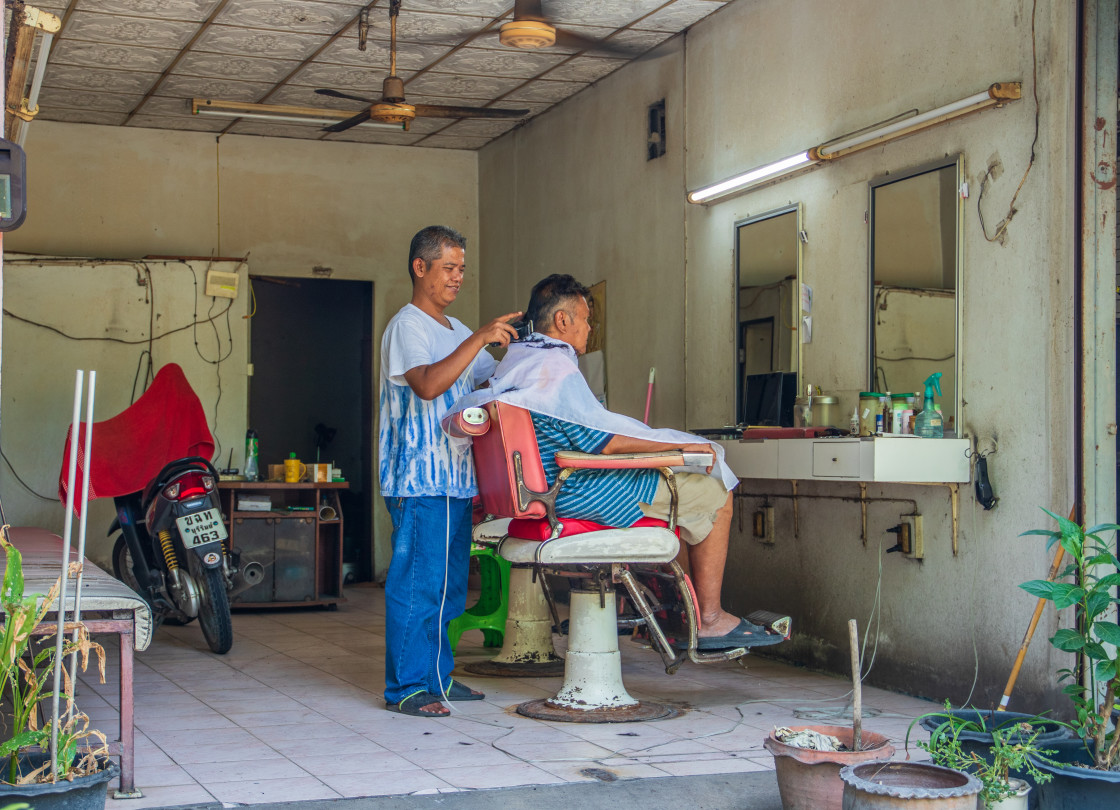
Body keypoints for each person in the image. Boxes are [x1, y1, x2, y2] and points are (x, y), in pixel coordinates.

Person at [447, 274, 783, 648]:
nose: (590, 328)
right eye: (586, 319)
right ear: (562, 321)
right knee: (715, 491)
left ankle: (683, 615)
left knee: (686, 497)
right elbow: (602, 444)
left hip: (545, 491)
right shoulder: (552, 370)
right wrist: (676, 452)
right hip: (578, 490)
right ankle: (709, 618)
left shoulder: (518, 364)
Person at [379, 225, 522, 717]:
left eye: (462, 268)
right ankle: (407, 688)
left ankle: (438, 677)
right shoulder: (408, 327)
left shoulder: (457, 331)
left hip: (457, 482)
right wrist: (481, 336)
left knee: (448, 589)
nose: (458, 277)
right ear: (421, 268)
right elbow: (427, 384)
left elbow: (491, 379)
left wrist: (529, 355)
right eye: (449, 267)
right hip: (417, 480)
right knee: (418, 584)